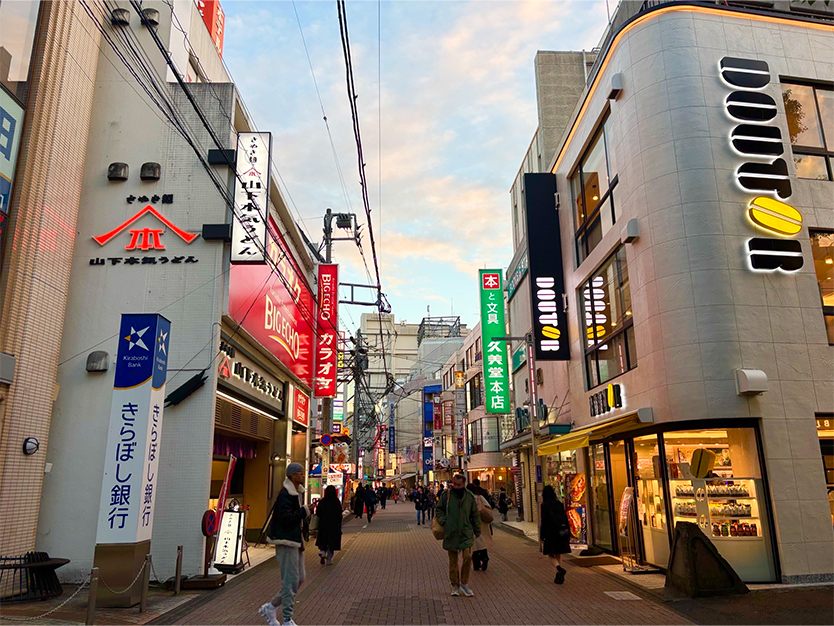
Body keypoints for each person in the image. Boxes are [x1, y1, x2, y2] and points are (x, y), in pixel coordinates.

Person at [259, 462, 313, 626]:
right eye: (300, 473)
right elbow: (286, 518)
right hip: (286, 541)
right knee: (290, 582)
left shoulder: (297, 493)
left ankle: (270, 607)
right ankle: (287, 620)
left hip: (296, 541)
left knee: (299, 579)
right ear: (293, 475)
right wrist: (304, 511)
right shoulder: (285, 494)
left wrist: (306, 513)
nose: (303, 475)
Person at [436, 473, 481, 597]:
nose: (455, 487)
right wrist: (444, 521)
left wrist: (477, 530)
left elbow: (475, 514)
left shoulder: (469, 497)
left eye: (458, 485)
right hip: (451, 532)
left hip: (466, 531)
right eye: (454, 484)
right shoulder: (446, 495)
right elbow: (439, 509)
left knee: (467, 557)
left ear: (463, 484)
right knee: (453, 561)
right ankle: (455, 585)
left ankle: (464, 583)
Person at [540, 485, 571, 584]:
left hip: (550, 533)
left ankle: (559, 569)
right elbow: (565, 518)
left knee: (550, 554)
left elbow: (544, 522)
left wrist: (542, 535)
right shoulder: (559, 504)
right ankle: (559, 575)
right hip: (560, 532)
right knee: (558, 553)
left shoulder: (544, 505)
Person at [467, 482, 493, 572]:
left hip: (471, 523)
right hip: (482, 522)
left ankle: (476, 564)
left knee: (473, 545)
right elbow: (488, 507)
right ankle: (484, 557)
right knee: (482, 543)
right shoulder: (480, 497)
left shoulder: (467, 499)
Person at [315, 485, 342, 566]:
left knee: (324, 540)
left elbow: (318, 512)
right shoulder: (336, 502)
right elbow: (339, 514)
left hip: (323, 524)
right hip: (334, 525)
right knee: (332, 543)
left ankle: (322, 552)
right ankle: (329, 560)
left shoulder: (322, 501)